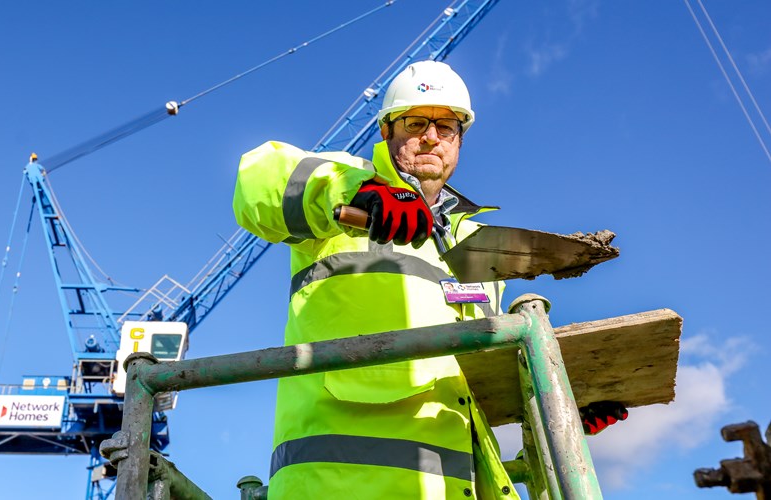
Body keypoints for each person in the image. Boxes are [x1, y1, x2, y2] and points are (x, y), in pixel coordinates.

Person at [233, 60, 625, 498]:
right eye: (416, 121)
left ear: (460, 140)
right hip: (345, 484)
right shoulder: (343, 185)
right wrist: (362, 192)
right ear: (387, 131)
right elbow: (259, 179)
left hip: (463, 486)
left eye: (447, 126)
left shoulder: (478, 245)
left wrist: (557, 411)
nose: (431, 136)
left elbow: (484, 376)